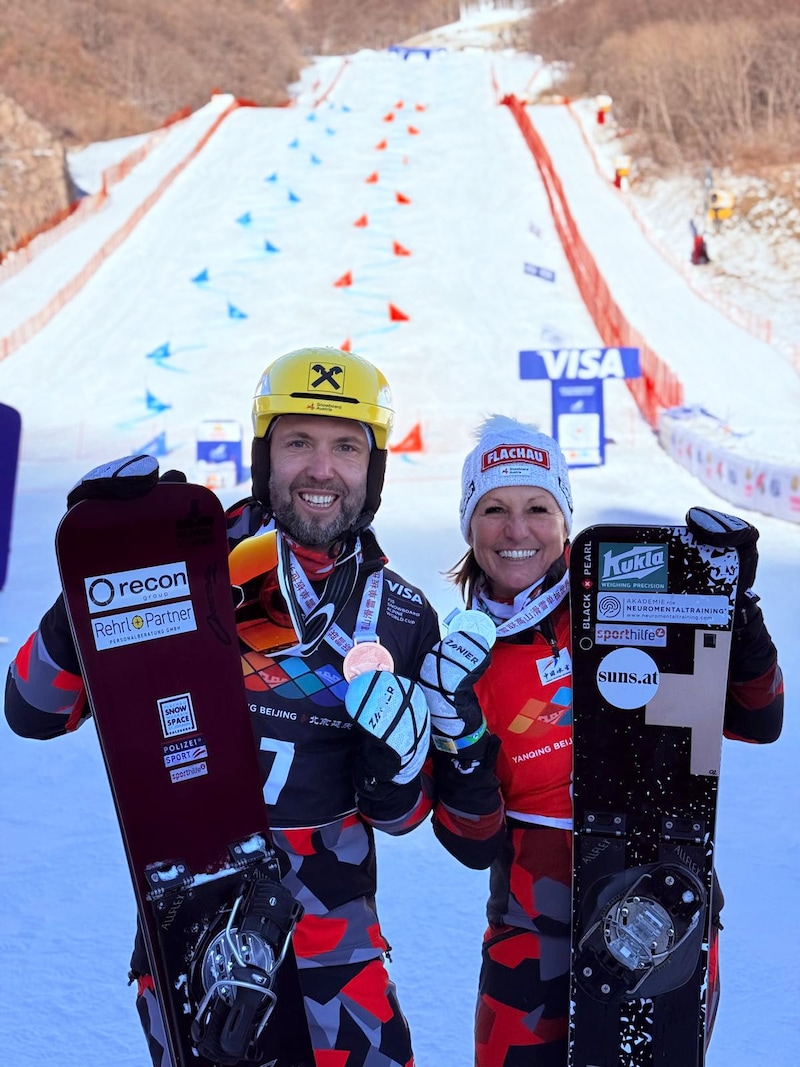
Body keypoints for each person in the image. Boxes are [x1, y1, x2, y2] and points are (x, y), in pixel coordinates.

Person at [5, 346, 446, 1067]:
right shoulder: (179, 563)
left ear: (375, 470)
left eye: (345, 446)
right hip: (195, 938)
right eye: (297, 442)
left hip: (337, 952)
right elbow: (31, 707)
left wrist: (395, 761)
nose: (320, 469)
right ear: (263, 456)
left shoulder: (400, 613)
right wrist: (98, 571)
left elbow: (403, 814)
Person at [422, 414, 784, 1067]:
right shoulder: (458, 655)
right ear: (467, 524)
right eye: (494, 508)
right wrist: (458, 728)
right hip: (531, 928)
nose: (517, 529)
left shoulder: (630, 605)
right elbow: (470, 840)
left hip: (655, 902)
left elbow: (758, 716)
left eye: (538, 506)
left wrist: (738, 605)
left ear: (565, 518)